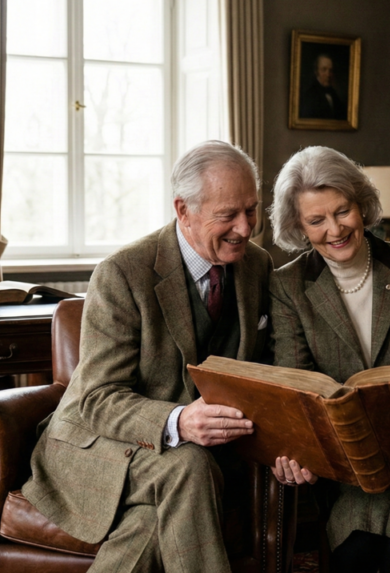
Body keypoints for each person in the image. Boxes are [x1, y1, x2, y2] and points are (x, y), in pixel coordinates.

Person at [21, 140, 273, 572]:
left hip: (186, 461)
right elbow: (97, 398)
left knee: (154, 515)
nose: (246, 228)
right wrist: (179, 421)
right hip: (94, 442)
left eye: (251, 209)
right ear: (183, 210)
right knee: (188, 467)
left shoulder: (258, 266)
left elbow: (266, 370)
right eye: (228, 214)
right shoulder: (123, 273)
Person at [268, 146, 390, 572]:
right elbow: (296, 387)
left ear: (361, 205)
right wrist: (298, 450)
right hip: (345, 470)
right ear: (299, 225)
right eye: (316, 220)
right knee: (361, 545)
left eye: (343, 211)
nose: (335, 229)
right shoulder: (288, 286)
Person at [300, 53, 347, 120]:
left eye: (330, 70)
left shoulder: (333, 94)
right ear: (316, 72)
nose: (328, 74)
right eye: (324, 69)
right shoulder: (310, 95)